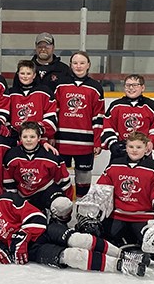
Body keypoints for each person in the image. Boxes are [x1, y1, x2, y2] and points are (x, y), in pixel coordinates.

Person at [0, 179, 149, 277]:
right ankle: (120, 265)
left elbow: (36, 216)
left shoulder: (7, 200)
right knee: (73, 256)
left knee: (81, 239)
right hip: (32, 249)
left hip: (43, 230)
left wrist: (23, 234)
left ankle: (122, 254)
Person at [75, 132, 154, 268]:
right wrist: (92, 211)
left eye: (139, 147)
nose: (134, 150)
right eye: (131, 146)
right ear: (126, 148)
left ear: (146, 149)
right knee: (97, 240)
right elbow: (100, 191)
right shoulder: (115, 165)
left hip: (142, 217)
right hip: (118, 216)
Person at [54, 51, 105, 199]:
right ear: (70, 65)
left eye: (82, 63)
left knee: (83, 179)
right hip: (61, 141)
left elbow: (98, 117)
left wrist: (97, 141)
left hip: (85, 142)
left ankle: (83, 212)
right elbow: (53, 112)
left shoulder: (95, 87)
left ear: (88, 65)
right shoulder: (60, 84)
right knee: (60, 178)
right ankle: (61, 213)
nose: (78, 66)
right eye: (75, 63)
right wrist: (51, 137)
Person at [3, 121, 73, 224]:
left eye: (32, 137)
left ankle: (57, 221)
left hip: (46, 190)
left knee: (63, 204)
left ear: (39, 138)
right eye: (25, 137)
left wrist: (66, 206)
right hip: (23, 194)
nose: (28, 140)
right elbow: (9, 182)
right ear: (20, 138)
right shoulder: (12, 156)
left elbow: (63, 181)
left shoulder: (50, 156)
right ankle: (39, 212)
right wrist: (14, 202)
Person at [101, 74, 154, 160]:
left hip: (143, 153)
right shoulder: (116, 106)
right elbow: (107, 126)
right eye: (128, 85)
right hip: (120, 153)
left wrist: (150, 142)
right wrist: (113, 143)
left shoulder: (151, 106)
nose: (131, 88)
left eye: (135, 85)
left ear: (142, 88)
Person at [6, 60, 57, 140]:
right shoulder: (10, 93)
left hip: (38, 140)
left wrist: (36, 131)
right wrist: (12, 131)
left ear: (34, 75)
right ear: (18, 74)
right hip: (14, 141)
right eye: (22, 73)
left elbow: (52, 120)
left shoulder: (45, 92)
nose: (25, 76)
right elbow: (5, 117)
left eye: (28, 73)